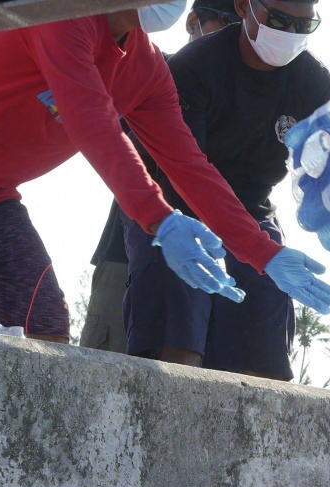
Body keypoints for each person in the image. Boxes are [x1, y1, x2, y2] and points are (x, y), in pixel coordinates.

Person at [0, 1, 330, 344]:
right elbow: (94, 126)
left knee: (44, 344)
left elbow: (190, 166)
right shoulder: (56, 14)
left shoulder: (149, 70)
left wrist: (262, 251)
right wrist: (161, 219)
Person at [118, 0, 330, 380]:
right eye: (278, 21)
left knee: (267, 303)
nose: (289, 34)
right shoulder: (194, 67)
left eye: (302, 27)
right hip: (173, 204)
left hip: (253, 207)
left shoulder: (315, 84)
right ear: (244, 7)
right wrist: (251, 246)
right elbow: (185, 173)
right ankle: (170, 409)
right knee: (180, 295)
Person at [80, 0, 242, 353]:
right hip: (125, 259)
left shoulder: (246, 96)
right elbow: (113, 145)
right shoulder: (147, 69)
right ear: (194, 22)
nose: (236, 40)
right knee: (102, 382)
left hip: (215, 270)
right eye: (228, 24)